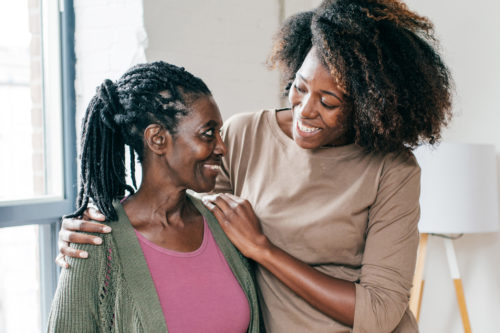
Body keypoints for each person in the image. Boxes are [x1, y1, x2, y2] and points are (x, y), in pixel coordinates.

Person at [57, 0, 452, 332]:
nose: (305, 110)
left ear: (370, 107)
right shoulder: (246, 134)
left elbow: (381, 311)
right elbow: (181, 203)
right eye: (299, 86)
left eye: (328, 102)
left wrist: (263, 250)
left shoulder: (393, 171)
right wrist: (97, 230)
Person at [48, 61, 262, 332]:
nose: (222, 147)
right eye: (208, 134)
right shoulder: (95, 242)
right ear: (157, 139)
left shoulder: (225, 224)